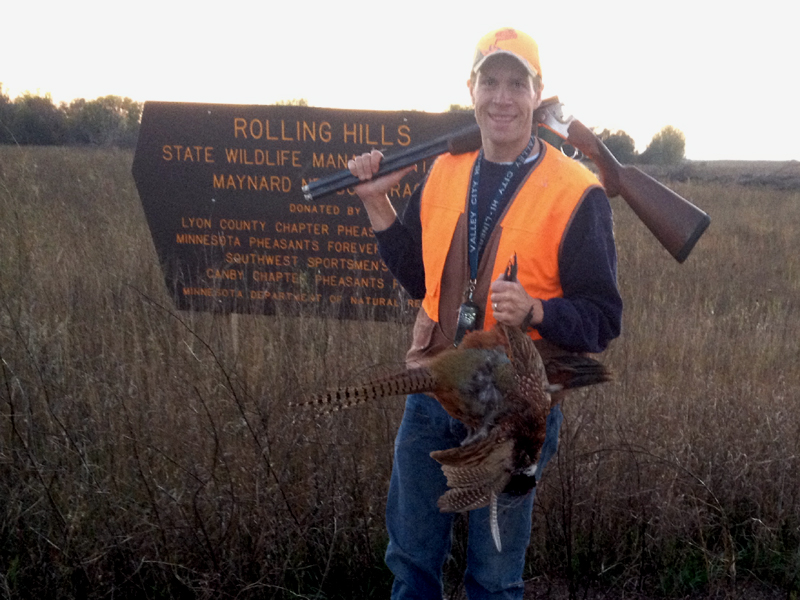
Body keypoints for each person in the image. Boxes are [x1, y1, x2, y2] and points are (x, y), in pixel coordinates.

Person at [347, 26, 622, 600]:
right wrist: (378, 204)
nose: (501, 97)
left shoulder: (578, 191)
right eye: (489, 81)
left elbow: (603, 318)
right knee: (410, 563)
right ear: (470, 89)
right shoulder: (445, 170)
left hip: (515, 409)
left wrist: (539, 311)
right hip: (432, 391)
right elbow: (423, 282)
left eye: (516, 83)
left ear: (537, 92)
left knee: (494, 581)